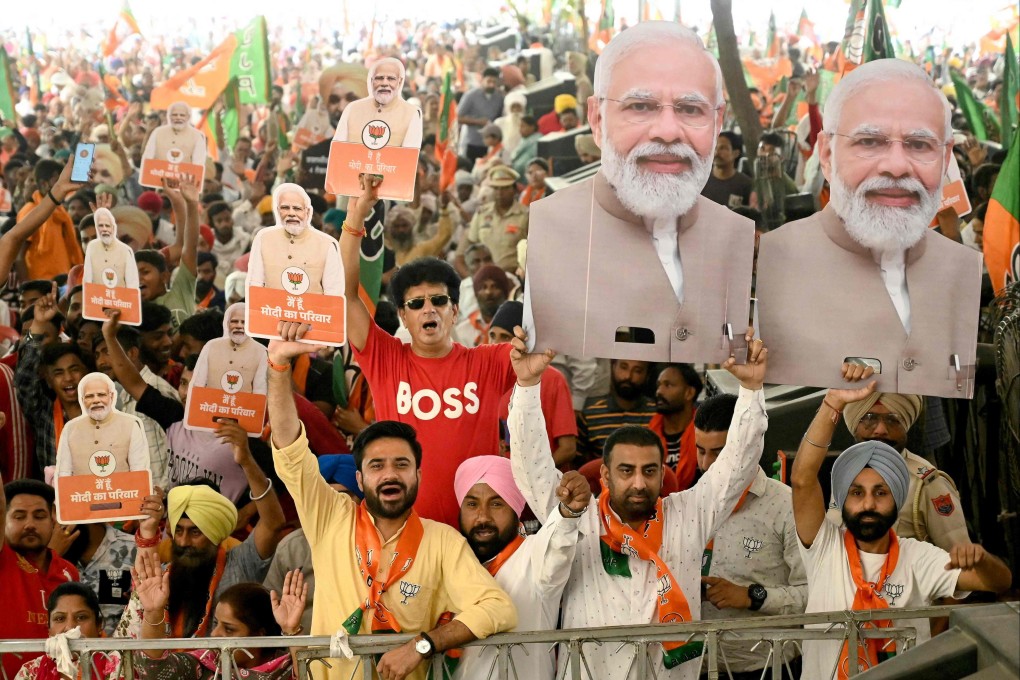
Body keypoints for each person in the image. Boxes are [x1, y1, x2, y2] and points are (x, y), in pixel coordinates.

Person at [508, 326, 770, 679]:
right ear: (604, 475)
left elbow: (739, 463)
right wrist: (526, 386)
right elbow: (530, 464)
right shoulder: (575, 519)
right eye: (626, 470)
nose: (638, 482)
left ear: (663, 475)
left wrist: (752, 391)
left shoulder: (688, 514)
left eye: (649, 471)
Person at [266, 334, 518, 680]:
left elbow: (498, 609)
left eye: (401, 465)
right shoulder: (329, 517)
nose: (390, 475)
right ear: (359, 477)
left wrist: (423, 645)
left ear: (417, 474)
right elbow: (291, 454)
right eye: (376, 466)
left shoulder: (442, 542)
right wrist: (278, 366)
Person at [523, 22, 755, 364]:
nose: (667, 132)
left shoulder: (736, 237)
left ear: (718, 122)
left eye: (690, 109)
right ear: (597, 118)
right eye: (641, 106)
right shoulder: (555, 230)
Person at [756, 59, 983, 399]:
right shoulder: (782, 261)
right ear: (828, 154)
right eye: (870, 142)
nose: (895, 167)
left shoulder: (960, 269)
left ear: (946, 158)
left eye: (919, 144)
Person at [791, 370, 1012, 679]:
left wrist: (983, 560)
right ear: (841, 500)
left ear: (898, 501)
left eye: (881, 493)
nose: (867, 504)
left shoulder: (918, 558)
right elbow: (802, 479)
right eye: (856, 493)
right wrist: (833, 401)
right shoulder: (825, 549)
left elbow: (998, 583)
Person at [339, 177, 518, 526]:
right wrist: (356, 216)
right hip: (406, 530)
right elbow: (345, 294)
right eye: (416, 303)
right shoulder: (385, 358)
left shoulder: (489, 361)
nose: (428, 309)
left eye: (439, 300)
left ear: (455, 309)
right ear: (403, 315)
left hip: (477, 535)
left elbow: (541, 340)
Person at [695, 393, 807, 680]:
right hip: (695, 665)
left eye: (718, 453)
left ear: (749, 447)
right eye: (700, 451)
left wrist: (751, 597)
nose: (707, 465)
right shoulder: (689, 502)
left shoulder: (787, 507)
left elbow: (813, 595)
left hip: (769, 668)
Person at [453, 456, 588, 680]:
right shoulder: (451, 562)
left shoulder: (535, 557)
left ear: (516, 510)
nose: (483, 516)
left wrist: (569, 512)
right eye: (472, 504)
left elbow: (558, 542)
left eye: (497, 504)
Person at [115, 469, 285, 639]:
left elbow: (273, 524)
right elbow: (145, 574)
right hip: (168, 664)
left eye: (195, 533)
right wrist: (148, 528)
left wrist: (246, 461)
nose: (183, 542)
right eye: (179, 531)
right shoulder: (164, 575)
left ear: (214, 533)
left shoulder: (240, 564)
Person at [811, 391, 970, 550]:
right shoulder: (844, 472)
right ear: (855, 424)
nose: (880, 429)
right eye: (869, 419)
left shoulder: (926, 483)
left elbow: (960, 559)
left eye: (892, 420)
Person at [131, 552, 299, 679]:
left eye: (229, 629)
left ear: (260, 634)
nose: (215, 634)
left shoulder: (286, 669)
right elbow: (155, 668)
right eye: (216, 623)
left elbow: (311, 674)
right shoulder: (206, 664)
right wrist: (153, 612)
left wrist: (292, 631)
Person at [1, 476, 79, 678]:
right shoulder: (4, 559)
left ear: (53, 517)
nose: (29, 524)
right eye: (19, 516)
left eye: (39, 516)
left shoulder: (69, 572)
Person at [490, 301, 577, 468]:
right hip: (497, 484)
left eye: (505, 337)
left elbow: (568, 448)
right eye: (492, 335)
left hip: (540, 486)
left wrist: (536, 476)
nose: (496, 344)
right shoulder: (486, 376)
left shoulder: (552, 379)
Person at [16, 286, 92, 470]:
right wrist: (39, 324)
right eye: (58, 373)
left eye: (74, 369)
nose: (68, 378)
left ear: (86, 372)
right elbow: (25, 378)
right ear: (48, 381)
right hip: (57, 497)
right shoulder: (43, 414)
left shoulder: (105, 411)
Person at [247, 182, 342, 296]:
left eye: (297, 208)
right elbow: (255, 287)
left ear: (307, 212)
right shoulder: (264, 240)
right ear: (277, 211)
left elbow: (333, 295)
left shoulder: (327, 246)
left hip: (310, 312)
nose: (291, 213)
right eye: (285, 208)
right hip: (272, 310)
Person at [14, 582, 123, 680]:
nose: (70, 627)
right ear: (50, 630)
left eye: (81, 617)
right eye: (60, 619)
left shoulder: (117, 666)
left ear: (98, 625)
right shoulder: (30, 672)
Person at [0, 159, 85, 284]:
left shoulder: (61, 212)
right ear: (45, 184)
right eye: (56, 181)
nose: (61, 183)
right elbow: (18, 250)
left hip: (63, 282)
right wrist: (29, 289)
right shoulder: (29, 210)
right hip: (41, 285)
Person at [56, 371, 149, 477]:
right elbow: (64, 474)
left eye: (101, 395)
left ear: (112, 396)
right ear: (82, 400)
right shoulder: (70, 429)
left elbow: (139, 472)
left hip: (120, 492)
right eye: (89, 396)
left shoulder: (130, 426)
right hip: (84, 493)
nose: (96, 400)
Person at [333, 58, 423, 149]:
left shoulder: (412, 114)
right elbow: (338, 151)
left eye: (391, 78)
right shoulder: (353, 109)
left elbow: (408, 158)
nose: (384, 83)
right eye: (379, 78)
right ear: (371, 81)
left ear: (399, 82)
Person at [577, 359, 655, 462]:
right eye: (623, 367)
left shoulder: (657, 415)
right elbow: (578, 465)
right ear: (613, 367)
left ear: (647, 375)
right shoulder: (589, 416)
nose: (628, 376)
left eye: (637, 371)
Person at [458, 166, 529, 272]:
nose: (500, 193)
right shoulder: (482, 213)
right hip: (483, 277)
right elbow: (465, 249)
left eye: (505, 188)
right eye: (496, 188)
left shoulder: (526, 215)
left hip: (512, 277)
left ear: (514, 190)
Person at [190, 302, 269, 396]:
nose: (239, 326)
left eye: (244, 322)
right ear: (227, 324)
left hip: (242, 409)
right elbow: (198, 384)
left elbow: (260, 393)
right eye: (234, 321)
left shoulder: (262, 352)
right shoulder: (211, 346)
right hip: (210, 406)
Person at [648, 363, 701, 489]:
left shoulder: (705, 436)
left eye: (668, 385)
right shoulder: (648, 437)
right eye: (658, 385)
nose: (659, 391)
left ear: (689, 393)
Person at [82, 207, 140, 290]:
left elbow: (132, 284)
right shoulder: (92, 247)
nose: (104, 229)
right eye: (101, 226)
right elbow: (87, 280)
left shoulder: (126, 250)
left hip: (121, 300)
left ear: (113, 228)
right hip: (97, 299)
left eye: (107, 226)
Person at [458, 68, 505, 163]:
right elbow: (458, 118)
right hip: (473, 142)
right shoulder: (471, 95)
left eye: (494, 82)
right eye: (489, 81)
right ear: (482, 80)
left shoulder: (499, 97)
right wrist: (478, 121)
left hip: (491, 144)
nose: (491, 84)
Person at [141, 101, 207, 168]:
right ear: (169, 116)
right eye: (175, 115)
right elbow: (147, 158)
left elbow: (198, 165)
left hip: (184, 176)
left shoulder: (197, 136)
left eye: (182, 115)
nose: (178, 118)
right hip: (158, 174)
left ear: (188, 117)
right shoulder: (158, 132)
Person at [702, 130, 753, 209]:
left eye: (723, 148)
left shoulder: (746, 185)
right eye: (715, 148)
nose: (717, 153)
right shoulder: (700, 182)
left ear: (736, 153)